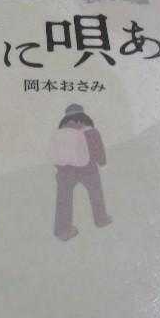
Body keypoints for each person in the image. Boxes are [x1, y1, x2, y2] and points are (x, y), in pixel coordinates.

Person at [49, 103, 112, 241]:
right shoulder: (91, 131)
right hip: (88, 169)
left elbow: (55, 154)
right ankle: (101, 219)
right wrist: (102, 163)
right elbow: (98, 150)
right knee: (96, 194)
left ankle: (62, 230)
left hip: (65, 171)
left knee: (63, 200)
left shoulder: (60, 133)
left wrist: (60, 168)